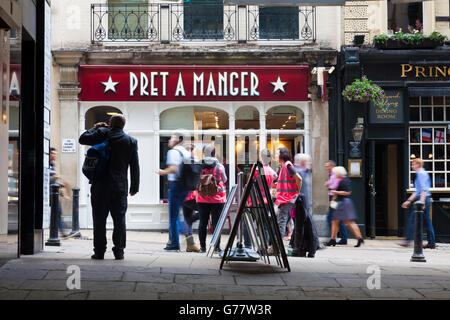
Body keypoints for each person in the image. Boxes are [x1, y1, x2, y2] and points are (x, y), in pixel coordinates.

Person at [79, 114, 140, 260]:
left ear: (110, 124)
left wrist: (95, 127)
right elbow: (134, 166)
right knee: (119, 220)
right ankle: (119, 251)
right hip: (119, 187)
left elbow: (82, 139)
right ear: (123, 125)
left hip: (100, 184)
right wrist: (134, 186)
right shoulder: (131, 141)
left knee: (99, 219)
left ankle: (99, 251)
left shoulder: (102, 133)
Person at [157, 132, 191, 251]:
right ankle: (190, 243)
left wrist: (162, 172)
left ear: (179, 140)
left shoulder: (173, 152)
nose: (170, 140)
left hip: (176, 185)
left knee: (174, 216)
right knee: (181, 216)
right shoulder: (186, 152)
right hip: (185, 186)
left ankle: (174, 244)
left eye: (172, 138)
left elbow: (173, 169)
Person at [197, 144, 228, 253]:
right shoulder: (220, 166)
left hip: (202, 198)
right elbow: (224, 180)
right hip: (217, 199)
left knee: (202, 223)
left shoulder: (198, 166)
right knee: (216, 223)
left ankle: (202, 247)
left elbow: (196, 181)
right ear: (214, 153)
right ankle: (216, 247)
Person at [400, 158, 436, 249]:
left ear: (418, 165)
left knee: (413, 220)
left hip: (422, 200)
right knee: (427, 222)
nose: (412, 166)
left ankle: (408, 241)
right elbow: (417, 191)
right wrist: (408, 201)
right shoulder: (420, 174)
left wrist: (422, 202)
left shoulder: (421, 174)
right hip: (422, 199)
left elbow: (423, 190)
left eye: (413, 164)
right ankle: (431, 243)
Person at [325, 166, 364, 247]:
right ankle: (333, 240)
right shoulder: (341, 180)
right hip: (342, 202)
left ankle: (359, 238)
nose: (334, 174)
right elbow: (337, 192)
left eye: (335, 173)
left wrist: (335, 192)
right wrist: (333, 199)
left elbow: (347, 192)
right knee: (336, 221)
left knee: (348, 222)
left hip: (343, 203)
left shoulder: (344, 180)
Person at [274, 148, 302, 240]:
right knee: (282, 220)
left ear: (282, 155)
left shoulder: (287, 165)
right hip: (284, 198)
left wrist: (297, 192)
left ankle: (278, 246)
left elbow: (299, 178)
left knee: (281, 221)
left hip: (287, 198)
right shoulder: (284, 166)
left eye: (277, 154)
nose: (275, 156)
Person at [324, 160, 348, 245]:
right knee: (338, 219)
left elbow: (335, 187)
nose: (326, 168)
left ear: (332, 166)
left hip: (336, 199)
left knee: (331, 218)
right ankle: (342, 238)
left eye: (327, 166)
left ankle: (333, 237)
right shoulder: (332, 174)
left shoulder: (335, 174)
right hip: (335, 198)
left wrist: (328, 185)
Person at [49, 147, 70, 238]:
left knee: (57, 212)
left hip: (53, 193)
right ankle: (58, 233)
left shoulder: (53, 164)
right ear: (49, 154)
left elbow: (53, 180)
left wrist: (61, 184)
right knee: (57, 212)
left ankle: (60, 232)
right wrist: (55, 178)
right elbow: (46, 179)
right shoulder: (46, 164)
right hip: (48, 193)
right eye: (53, 153)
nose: (55, 155)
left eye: (56, 154)